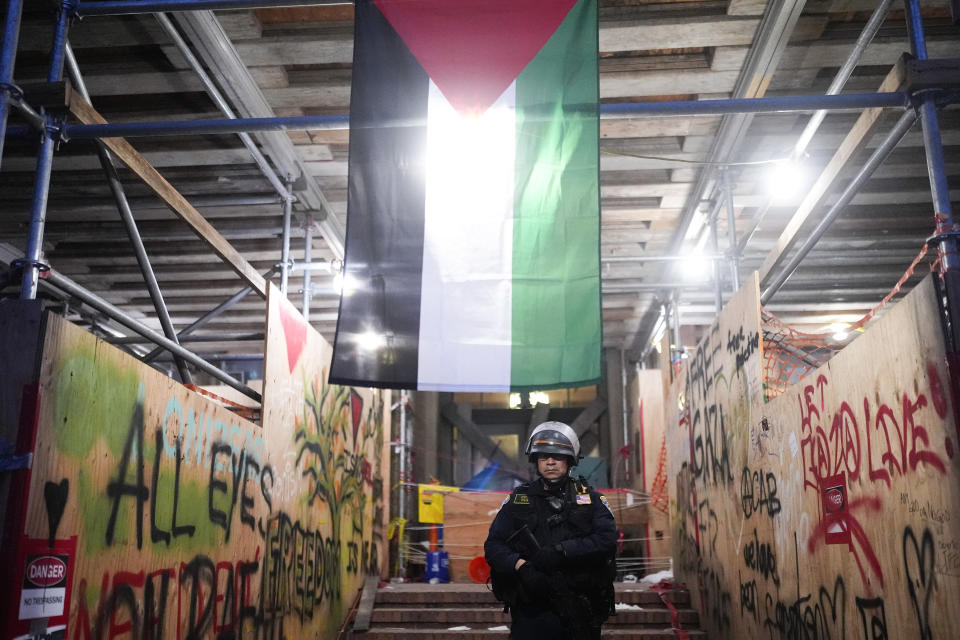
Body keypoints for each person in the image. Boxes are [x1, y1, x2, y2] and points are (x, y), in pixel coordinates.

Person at [484, 421, 618, 640]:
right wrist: (521, 566)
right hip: (531, 609)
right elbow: (493, 546)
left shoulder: (591, 498)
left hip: (578, 605)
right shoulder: (519, 499)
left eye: (558, 457)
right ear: (536, 461)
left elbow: (607, 541)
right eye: (544, 456)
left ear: (570, 460)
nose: (550, 462)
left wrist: (562, 551)